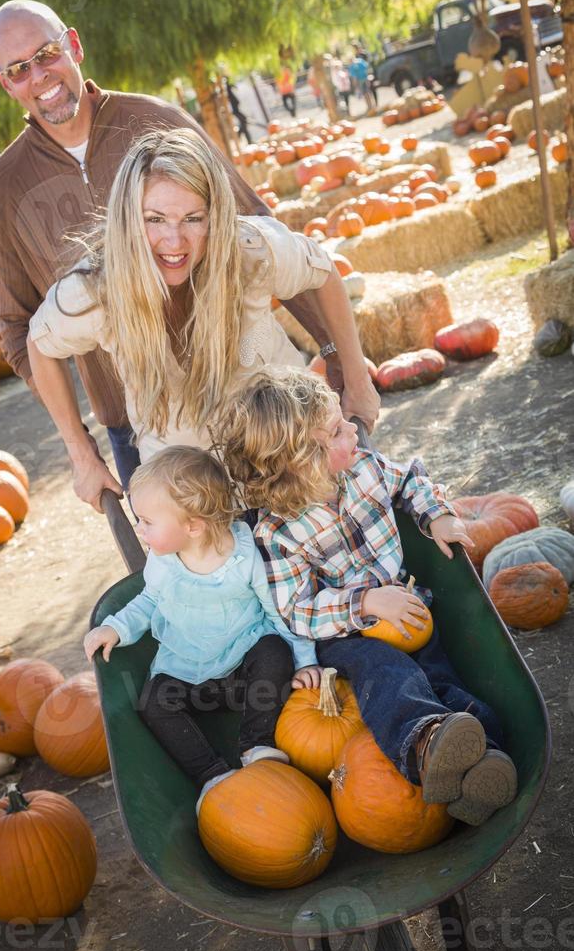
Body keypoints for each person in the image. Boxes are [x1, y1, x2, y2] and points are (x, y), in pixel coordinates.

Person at [0, 1, 378, 500]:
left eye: (46, 54)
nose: (39, 75)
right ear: (6, 83)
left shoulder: (156, 122)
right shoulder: (5, 188)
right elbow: (23, 332)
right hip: (139, 426)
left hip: (252, 397)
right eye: (19, 69)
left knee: (315, 532)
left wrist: (337, 357)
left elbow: (258, 233)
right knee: (198, 564)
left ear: (74, 46)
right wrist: (80, 449)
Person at [221, 369, 518, 827]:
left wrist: (435, 516)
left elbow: (410, 481)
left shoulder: (366, 468)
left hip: (408, 608)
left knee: (442, 680)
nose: (354, 429)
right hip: (347, 635)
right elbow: (298, 610)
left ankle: (481, 767)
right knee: (389, 675)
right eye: (338, 429)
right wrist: (365, 603)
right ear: (304, 461)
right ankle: (421, 745)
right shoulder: (277, 533)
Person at [27, 128, 374, 511]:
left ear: (216, 216)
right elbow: (40, 346)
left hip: (293, 467)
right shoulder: (95, 291)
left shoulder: (250, 251)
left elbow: (323, 271)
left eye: (193, 218)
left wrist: (357, 378)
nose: (174, 242)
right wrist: (81, 455)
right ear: (128, 219)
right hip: (196, 497)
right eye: (155, 219)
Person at [83, 446, 316, 813]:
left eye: (146, 521)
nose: (140, 529)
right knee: (153, 703)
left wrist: (305, 661)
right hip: (188, 673)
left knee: (273, 651)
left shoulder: (245, 554)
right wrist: (115, 627)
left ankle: (256, 744)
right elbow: (148, 601)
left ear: (192, 525)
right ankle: (211, 773)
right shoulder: (162, 563)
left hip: (245, 672)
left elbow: (278, 613)